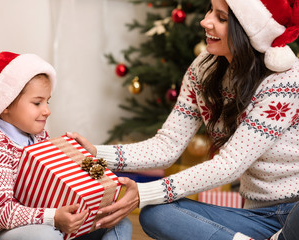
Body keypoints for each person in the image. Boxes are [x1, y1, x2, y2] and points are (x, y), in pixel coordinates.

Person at [67, 0, 299, 239]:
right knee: (156, 213)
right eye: (210, 10)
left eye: (221, 18)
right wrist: (95, 154)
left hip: (297, 213)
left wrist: (143, 192)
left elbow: (230, 165)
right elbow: (167, 145)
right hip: (255, 216)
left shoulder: (285, 80)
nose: (205, 21)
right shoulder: (204, 68)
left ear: (249, 28)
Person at [0, 51, 132, 240]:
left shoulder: (38, 137)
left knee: (116, 222)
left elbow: (49, 185)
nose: (47, 111)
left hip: (42, 221)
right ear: (5, 104)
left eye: (47, 101)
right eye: (37, 103)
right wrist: (52, 217)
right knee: (45, 235)